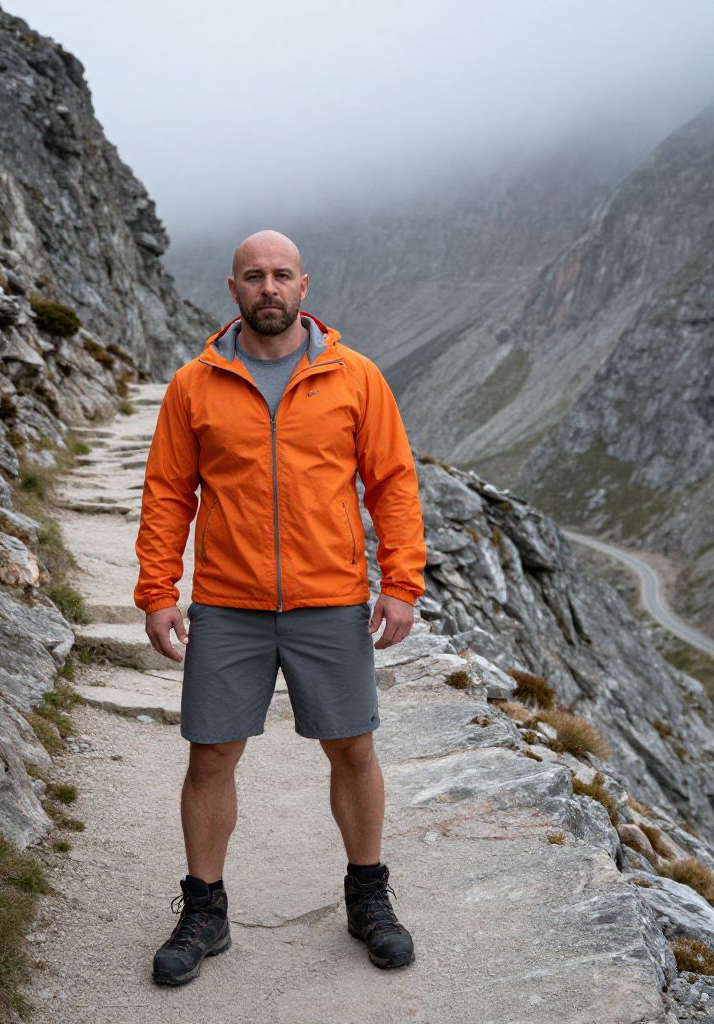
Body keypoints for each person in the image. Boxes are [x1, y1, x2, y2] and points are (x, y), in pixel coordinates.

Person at [132, 229, 427, 986]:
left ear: (305, 287)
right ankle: (205, 909)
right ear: (232, 289)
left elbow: (392, 483)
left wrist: (401, 582)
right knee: (211, 753)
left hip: (330, 601)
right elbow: (169, 493)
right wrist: (158, 592)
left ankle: (369, 896)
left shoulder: (354, 377)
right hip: (228, 605)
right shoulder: (194, 385)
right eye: (254, 276)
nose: (269, 287)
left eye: (282, 275)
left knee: (353, 749)